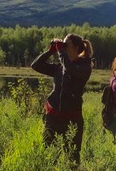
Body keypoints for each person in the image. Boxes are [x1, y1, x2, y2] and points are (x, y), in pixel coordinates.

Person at [31, 33, 93, 164]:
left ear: (76, 48)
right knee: (48, 153)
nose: (63, 48)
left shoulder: (85, 66)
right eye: (62, 46)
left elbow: (71, 70)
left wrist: (60, 52)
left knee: (72, 156)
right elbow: (35, 66)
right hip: (53, 117)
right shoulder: (59, 67)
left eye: (66, 45)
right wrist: (50, 51)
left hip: (71, 119)